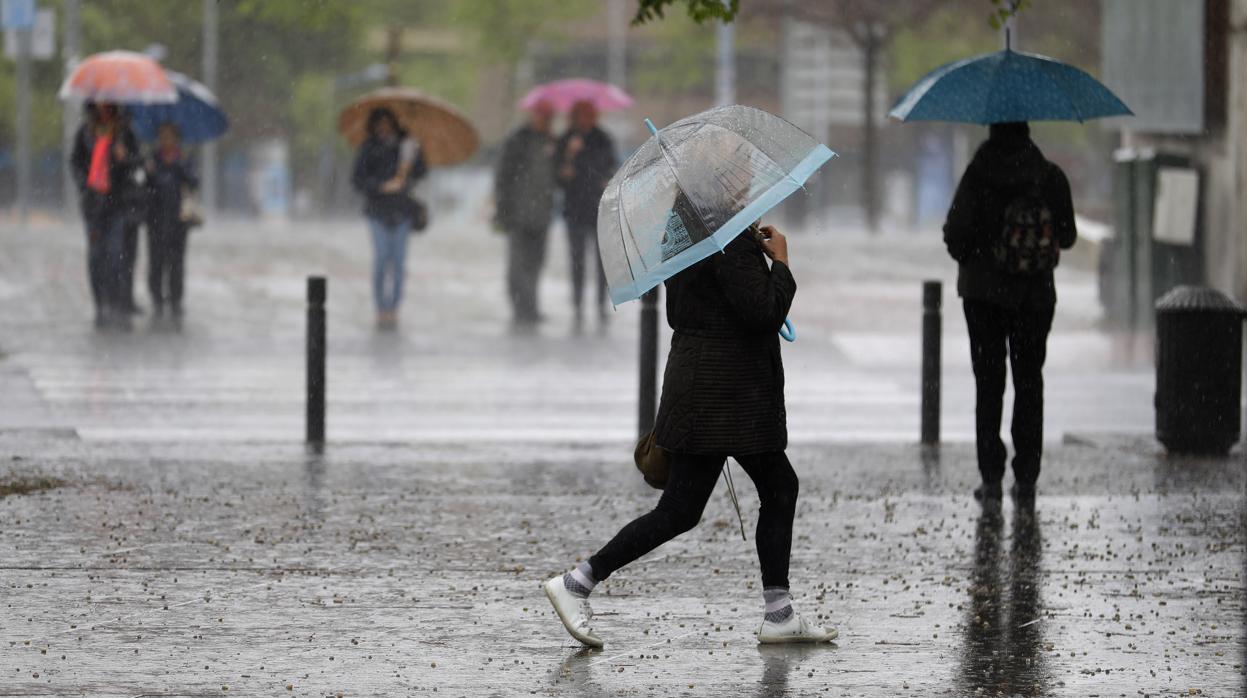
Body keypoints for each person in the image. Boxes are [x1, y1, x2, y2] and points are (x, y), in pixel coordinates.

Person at [543, 222, 837, 647]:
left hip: (705, 384)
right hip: (726, 393)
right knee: (758, 491)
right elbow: (764, 311)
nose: (748, 176)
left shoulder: (685, 225)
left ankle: (779, 612)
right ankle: (577, 582)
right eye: (742, 168)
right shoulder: (727, 236)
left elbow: (695, 306)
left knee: (708, 503)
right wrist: (783, 264)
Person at [942, 121, 1077, 503]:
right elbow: (1067, 236)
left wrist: (979, 259)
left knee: (989, 386)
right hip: (1034, 298)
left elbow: (955, 234)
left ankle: (991, 478)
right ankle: (1027, 478)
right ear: (1028, 129)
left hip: (983, 298)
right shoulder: (1050, 176)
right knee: (1029, 383)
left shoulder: (977, 175)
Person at [351, 107, 427, 330]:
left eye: (387, 122)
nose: (383, 127)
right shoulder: (368, 148)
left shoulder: (407, 146)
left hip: (402, 211)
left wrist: (416, 154)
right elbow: (357, 180)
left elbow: (421, 173)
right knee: (382, 259)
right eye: (379, 123)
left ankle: (394, 308)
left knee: (399, 262)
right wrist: (381, 186)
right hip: (377, 212)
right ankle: (381, 308)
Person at [70, 101, 143, 329]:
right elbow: (75, 162)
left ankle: (115, 302)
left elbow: (138, 163)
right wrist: (85, 185)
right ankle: (100, 305)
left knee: (115, 255)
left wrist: (124, 159)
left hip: (118, 205)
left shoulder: (125, 132)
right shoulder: (85, 132)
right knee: (95, 257)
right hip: (93, 207)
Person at [554, 100, 616, 331]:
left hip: (599, 209)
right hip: (574, 210)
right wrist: (569, 157)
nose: (585, 119)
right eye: (580, 115)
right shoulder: (566, 139)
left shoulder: (603, 139)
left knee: (602, 263)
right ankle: (578, 306)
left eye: (589, 114)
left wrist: (606, 178)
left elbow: (612, 167)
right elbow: (559, 177)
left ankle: (601, 304)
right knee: (577, 261)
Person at [494, 100, 556, 329]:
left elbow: (557, 176)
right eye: (543, 116)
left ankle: (531, 306)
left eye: (549, 117)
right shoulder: (517, 139)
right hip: (517, 213)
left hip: (542, 213)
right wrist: (503, 209)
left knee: (536, 262)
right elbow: (503, 175)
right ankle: (521, 308)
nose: (546, 121)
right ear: (533, 115)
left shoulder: (552, 141)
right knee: (518, 264)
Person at [145, 123, 199, 323]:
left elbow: (194, 182)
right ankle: (157, 300)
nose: (166, 140)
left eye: (170, 136)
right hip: (156, 219)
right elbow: (146, 186)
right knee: (156, 262)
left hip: (178, 220)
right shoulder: (152, 159)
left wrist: (180, 169)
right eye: (162, 136)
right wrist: (150, 173)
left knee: (176, 263)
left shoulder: (184, 159)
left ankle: (176, 300)